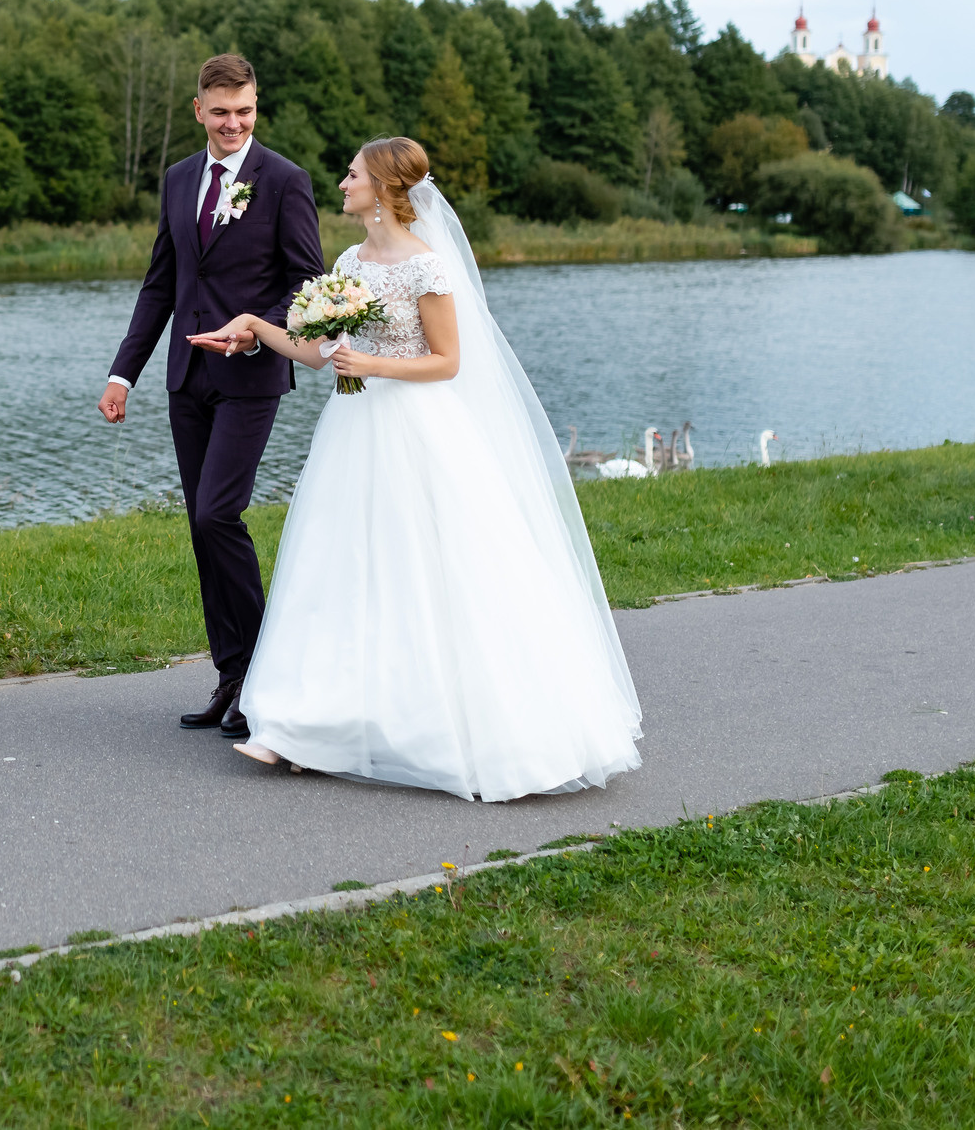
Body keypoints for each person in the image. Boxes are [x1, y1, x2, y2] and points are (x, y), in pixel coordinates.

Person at [187, 137, 643, 800]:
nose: (341, 183)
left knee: (427, 571)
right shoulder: (348, 260)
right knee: (338, 569)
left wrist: (373, 365)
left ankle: (444, 726)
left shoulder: (426, 266)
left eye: (352, 174)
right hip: (352, 430)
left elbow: (447, 359)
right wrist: (255, 325)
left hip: (415, 430)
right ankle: (301, 726)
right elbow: (317, 354)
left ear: (381, 186)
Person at [100, 53, 328, 740]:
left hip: (252, 375)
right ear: (198, 110)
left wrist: (258, 334)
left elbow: (308, 285)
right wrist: (122, 373)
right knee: (202, 529)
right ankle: (232, 676)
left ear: (257, 109)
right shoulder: (176, 180)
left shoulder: (284, 181)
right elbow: (160, 284)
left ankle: (263, 675)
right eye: (222, 111)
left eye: (246, 111)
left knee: (217, 512)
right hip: (186, 380)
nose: (234, 123)